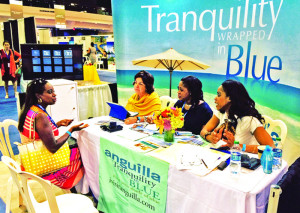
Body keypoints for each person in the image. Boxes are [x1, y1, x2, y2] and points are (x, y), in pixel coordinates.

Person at [18, 78, 89, 189]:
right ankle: (78, 189)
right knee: (81, 153)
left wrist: (58, 124)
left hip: (30, 159)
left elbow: (39, 132)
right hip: (42, 163)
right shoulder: (40, 115)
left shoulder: (32, 109)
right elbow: (53, 147)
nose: (54, 95)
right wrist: (71, 130)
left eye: (53, 91)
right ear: (39, 96)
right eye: (50, 92)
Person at [200, 79, 274, 153]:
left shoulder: (249, 120)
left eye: (219, 94)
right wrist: (211, 137)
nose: (215, 98)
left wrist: (237, 146)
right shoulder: (221, 113)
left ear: (230, 98)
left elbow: (271, 147)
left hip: (241, 160)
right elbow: (203, 131)